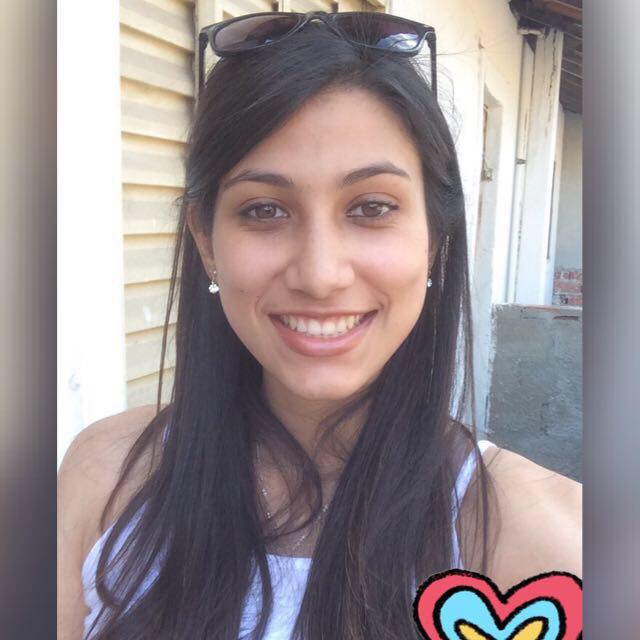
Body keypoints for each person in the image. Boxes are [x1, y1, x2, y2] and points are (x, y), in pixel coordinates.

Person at [58, 12, 581, 640]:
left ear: (435, 239)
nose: (320, 274)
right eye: (265, 210)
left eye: (371, 207)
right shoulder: (106, 477)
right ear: (205, 239)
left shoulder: (547, 545)